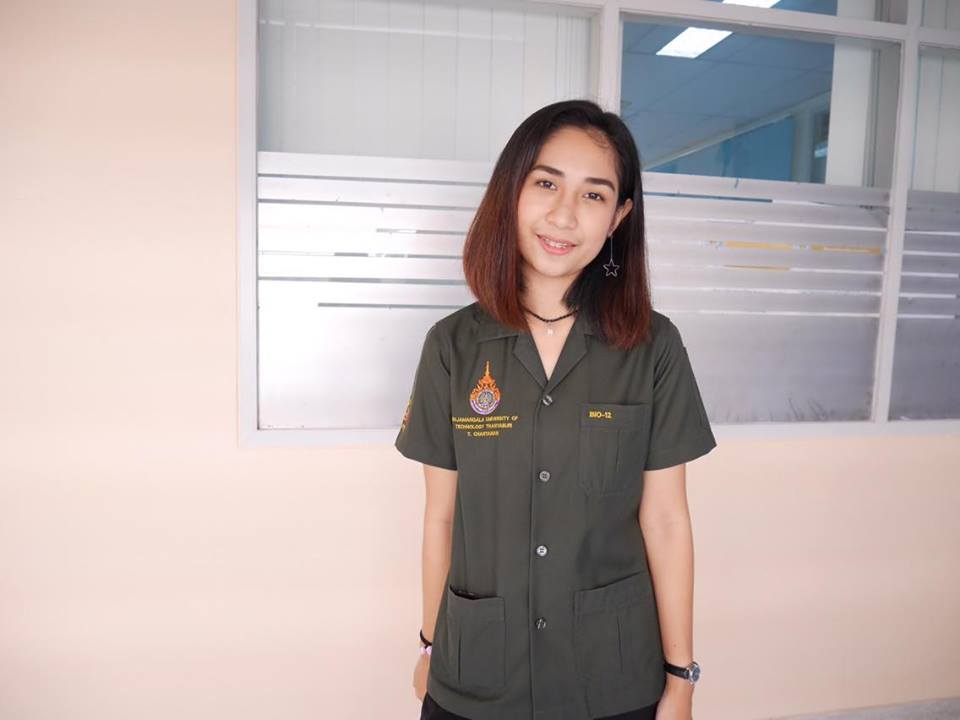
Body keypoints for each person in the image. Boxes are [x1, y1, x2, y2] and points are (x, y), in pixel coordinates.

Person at [395, 99, 717, 720]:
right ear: (511, 191)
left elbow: (666, 520)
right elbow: (442, 517)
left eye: (594, 195)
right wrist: (430, 644)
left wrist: (681, 677)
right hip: (477, 670)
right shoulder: (452, 346)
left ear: (619, 217)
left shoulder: (653, 346)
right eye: (546, 184)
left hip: (611, 674)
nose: (564, 215)